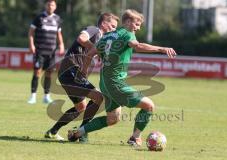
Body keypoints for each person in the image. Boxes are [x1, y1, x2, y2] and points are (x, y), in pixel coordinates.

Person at [67, 9, 177, 147]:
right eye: (137, 24)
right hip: (115, 83)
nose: (138, 28)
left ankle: (78, 132)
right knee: (149, 106)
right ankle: (135, 138)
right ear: (128, 22)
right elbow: (138, 46)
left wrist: (83, 71)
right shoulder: (127, 34)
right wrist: (161, 49)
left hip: (105, 84)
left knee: (113, 119)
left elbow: (90, 54)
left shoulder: (107, 36)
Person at [44, 13, 119, 141]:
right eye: (112, 26)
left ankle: (52, 131)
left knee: (81, 108)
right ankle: (82, 133)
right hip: (70, 70)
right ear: (103, 24)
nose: (114, 30)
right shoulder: (95, 30)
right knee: (99, 98)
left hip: (72, 74)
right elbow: (81, 38)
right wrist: (96, 49)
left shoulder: (102, 39)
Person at [27, 0, 64, 104]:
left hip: (52, 52)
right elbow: (31, 32)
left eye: (52, 5)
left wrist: (61, 45)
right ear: (45, 6)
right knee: (37, 71)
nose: (50, 6)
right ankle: (33, 96)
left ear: (55, 7)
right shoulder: (39, 18)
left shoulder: (57, 19)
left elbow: (59, 33)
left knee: (49, 73)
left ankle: (46, 96)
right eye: (48, 4)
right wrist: (31, 45)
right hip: (40, 51)